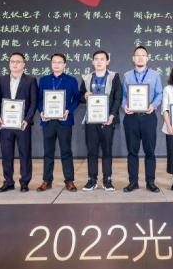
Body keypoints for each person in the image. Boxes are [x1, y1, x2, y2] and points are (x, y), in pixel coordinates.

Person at [0, 52, 38, 193]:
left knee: (25, 153)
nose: (15, 64)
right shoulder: (2, 80)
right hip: (6, 124)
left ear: (24, 64)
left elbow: (34, 102)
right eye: (12, 61)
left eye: (18, 61)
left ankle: (24, 182)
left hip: (23, 124)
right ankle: (8, 182)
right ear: (9, 64)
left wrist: (27, 119)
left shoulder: (30, 80)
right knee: (6, 154)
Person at [121, 45, 163, 193]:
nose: (140, 58)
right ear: (133, 58)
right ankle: (133, 182)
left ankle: (150, 182)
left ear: (147, 58)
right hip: (131, 118)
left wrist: (153, 105)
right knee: (132, 152)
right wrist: (124, 105)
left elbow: (159, 94)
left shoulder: (155, 75)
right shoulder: (127, 75)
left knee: (150, 151)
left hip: (148, 117)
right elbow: (123, 95)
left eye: (143, 55)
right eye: (137, 55)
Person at [79, 50, 122, 192]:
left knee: (107, 151)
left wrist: (112, 115)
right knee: (92, 151)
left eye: (102, 59)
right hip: (91, 120)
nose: (99, 61)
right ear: (92, 62)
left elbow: (118, 98)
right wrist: (84, 95)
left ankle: (107, 180)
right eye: (96, 59)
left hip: (107, 120)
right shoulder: (87, 78)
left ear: (107, 61)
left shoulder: (114, 77)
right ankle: (92, 180)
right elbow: (80, 96)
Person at [37, 53, 80, 192]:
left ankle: (69, 181)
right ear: (51, 64)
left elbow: (77, 99)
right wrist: (41, 111)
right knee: (48, 152)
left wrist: (69, 110)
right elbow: (39, 99)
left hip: (64, 121)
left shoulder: (71, 80)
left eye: (59, 62)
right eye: (54, 62)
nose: (56, 64)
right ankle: (46, 181)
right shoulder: (44, 80)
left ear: (64, 64)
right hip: (48, 121)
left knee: (66, 151)